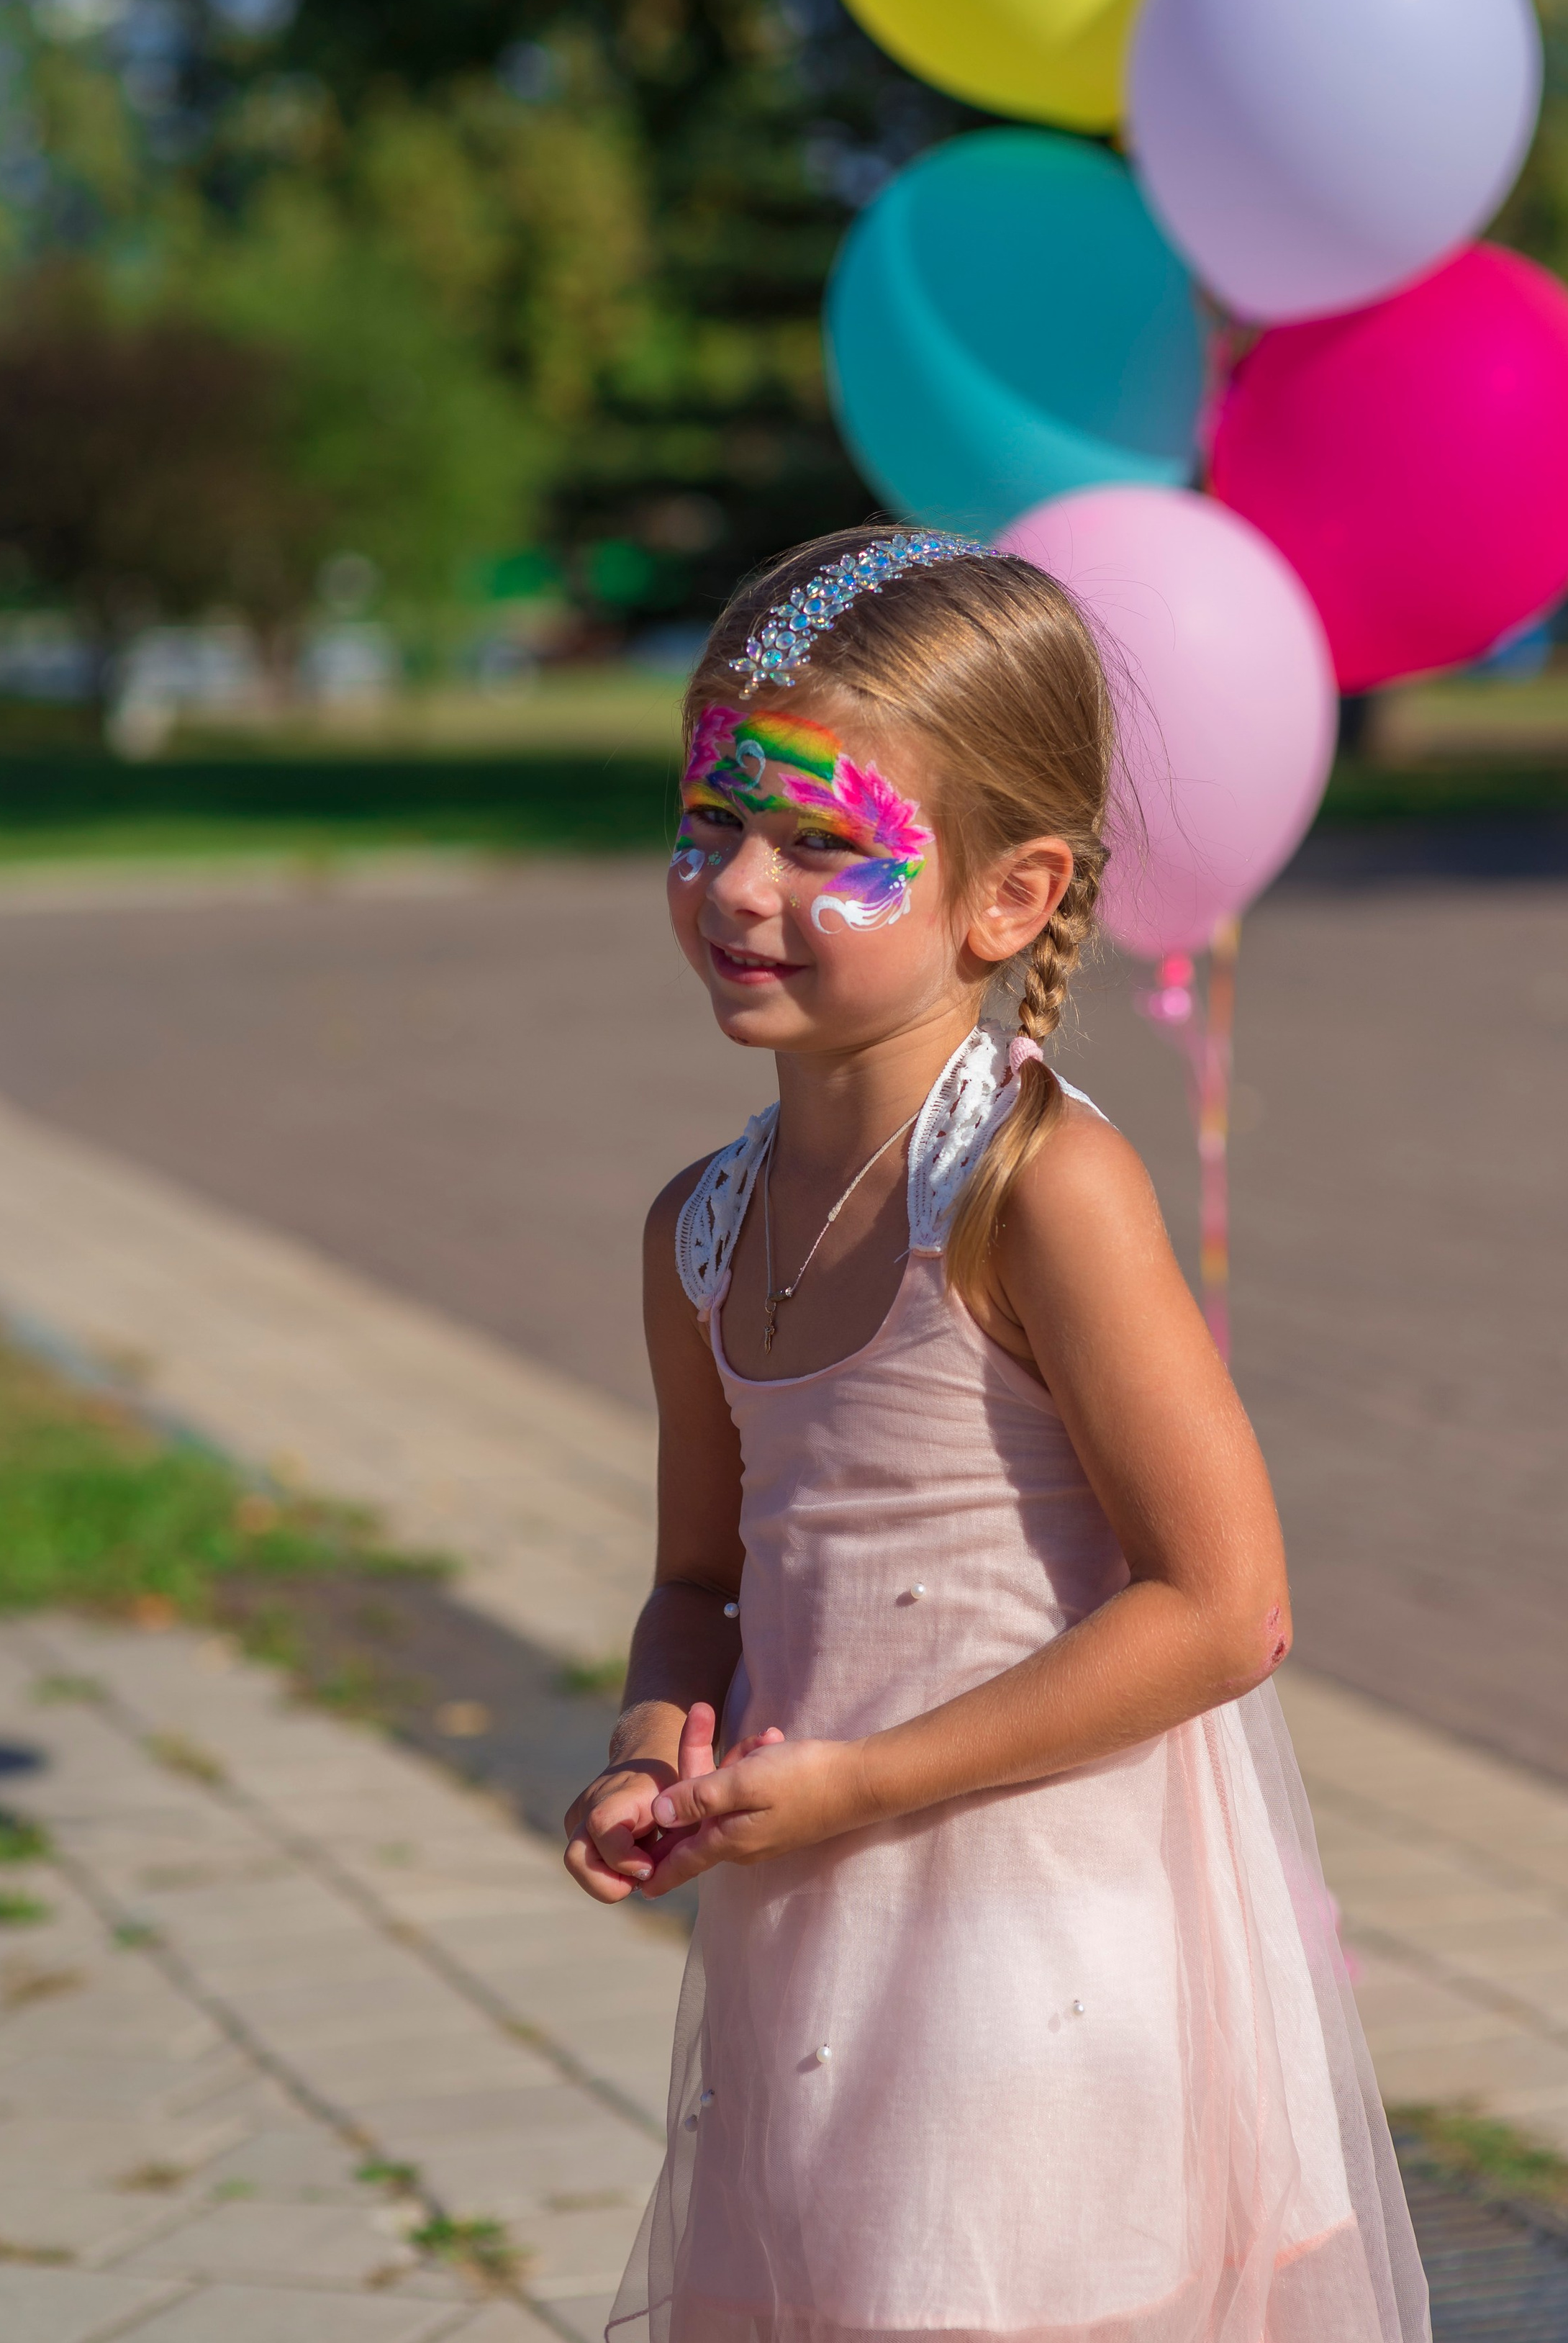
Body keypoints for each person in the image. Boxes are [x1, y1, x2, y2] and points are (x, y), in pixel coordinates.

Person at [563, 528, 1428, 2343]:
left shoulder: (1037, 1193)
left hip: (1032, 1964)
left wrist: (863, 1784)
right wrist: (654, 1738)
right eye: (710, 818)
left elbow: (1223, 1609)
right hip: (813, 1949)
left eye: (822, 844)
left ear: (1008, 893)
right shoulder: (694, 1233)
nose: (736, 885)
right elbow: (697, 1579)